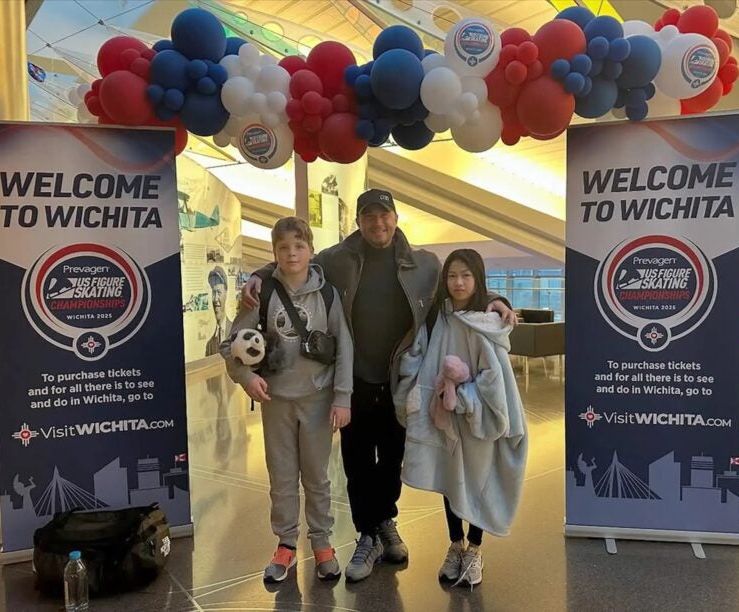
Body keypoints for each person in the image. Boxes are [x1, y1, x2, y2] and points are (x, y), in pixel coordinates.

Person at [243, 189, 517, 583]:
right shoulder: (337, 258)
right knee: (355, 463)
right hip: (352, 379)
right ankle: (367, 534)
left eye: (384, 216)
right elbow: (294, 262)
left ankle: (386, 522)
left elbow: (458, 289)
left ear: (396, 217)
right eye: (369, 217)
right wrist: (259, 273)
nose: (378, 224)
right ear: (358, 220)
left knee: (391, 459)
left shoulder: (423, 263)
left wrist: (498, 298)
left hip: (400, 380)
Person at [222, 217, 353, 583]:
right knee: (281, 476)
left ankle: (322, 541)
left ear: (311, 250)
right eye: (283, 247)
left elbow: (345, 346)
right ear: (274, 252)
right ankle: (286, 544)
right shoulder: (260, 294)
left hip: (318, 398)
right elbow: (230, 343)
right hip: (276, 401)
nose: (291, 253)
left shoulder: (328, 295)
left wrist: (342, 397)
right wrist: (246, 377)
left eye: (299, 246)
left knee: (316, 475)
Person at [394, 249, 528, 588]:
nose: (458, 282)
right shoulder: (438, 315)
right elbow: (421, 349)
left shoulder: (487, 320)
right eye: (452, 275)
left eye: (466, 275)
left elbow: (494, 378)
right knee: (450, 477)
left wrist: (467, 398)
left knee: (477, 478)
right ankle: (455, 545)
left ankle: (475, 548)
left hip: (476, 416)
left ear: (478, 279)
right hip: (443, 411)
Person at [206, 266, 233, 356]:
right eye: (213, 293)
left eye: (219, 292)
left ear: (226, 293)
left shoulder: (237, 332)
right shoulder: (209, 346)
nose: (215, 299)